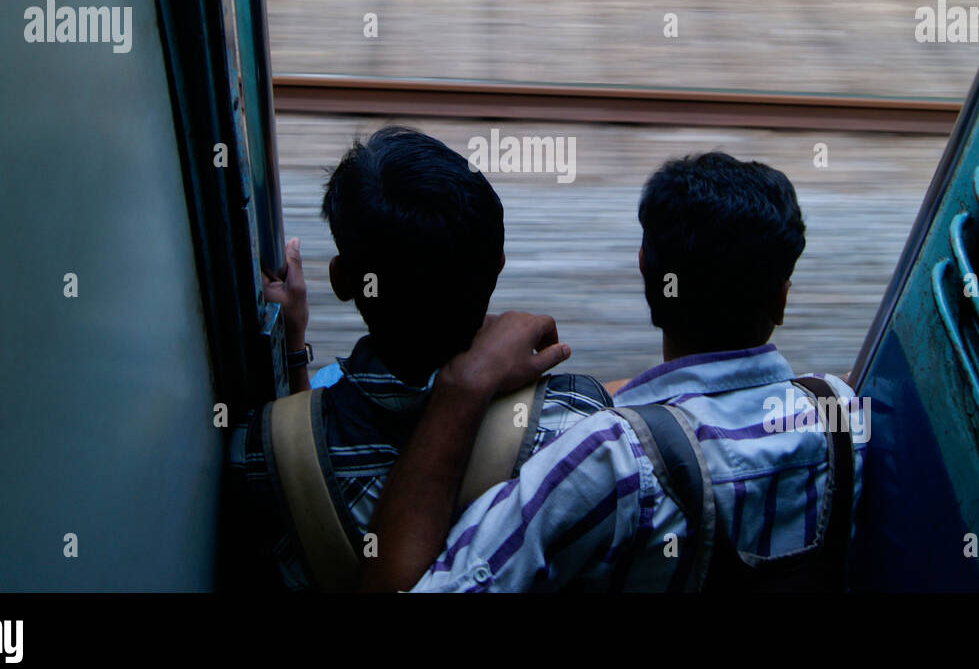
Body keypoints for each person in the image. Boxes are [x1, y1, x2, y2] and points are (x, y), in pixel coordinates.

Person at [360, 153, 866, 592]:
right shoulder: (847, 416)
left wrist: (462, 387)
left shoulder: (609, 461)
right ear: (781, 297)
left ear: (647, 274)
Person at [229, 125, 612, 591]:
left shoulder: (259, 460)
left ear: (341, 280)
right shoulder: (577, 427)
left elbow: (303, 450)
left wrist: (294, 346)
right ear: (498, 264)